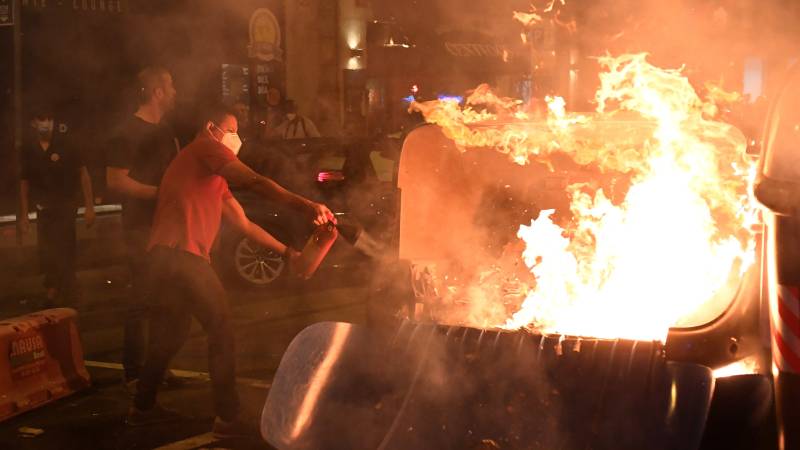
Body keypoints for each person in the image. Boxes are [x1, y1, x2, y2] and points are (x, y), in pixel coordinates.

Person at [127, 104, 334, 437]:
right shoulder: (204, 149)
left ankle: (142, 407)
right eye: (232, 129)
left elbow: (245, 224)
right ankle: (227, 417)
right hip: (183, 258)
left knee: (170, 335)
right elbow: (254, 181)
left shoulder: (210, 177)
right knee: (221, 329)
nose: (237, 138)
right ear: (212, 128)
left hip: (164, 261)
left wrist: (288, 252)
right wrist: (307, 205)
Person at [106, 66, 181, 390]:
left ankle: (157, 367)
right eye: (171, 86)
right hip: (139, 227)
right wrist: (158, 194)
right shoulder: (127, 132)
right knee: (142, 299)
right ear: (157, 92)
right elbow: (115, 180)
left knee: (167, 299)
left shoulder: (166, 132)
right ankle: (134, 372)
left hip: (167, 227)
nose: (176, 92)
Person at [18, 105, 95, 306]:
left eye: (49, 119)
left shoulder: (66, 143)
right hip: (43, 208)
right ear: (34, 123)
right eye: (41, 119)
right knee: (46, 250)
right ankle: (52, 289)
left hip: (66, 206)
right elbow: (24, 183)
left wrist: (89, 206)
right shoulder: (29, 149)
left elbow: (83, 173)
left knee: (66, 247)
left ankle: (70, 289)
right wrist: (24, 215)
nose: (46, 123)